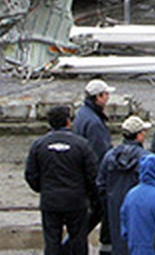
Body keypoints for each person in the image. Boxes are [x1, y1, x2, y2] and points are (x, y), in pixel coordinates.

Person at [25, 105, 99, 255]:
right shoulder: (81, 145)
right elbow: (92, 174)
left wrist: (44, 189)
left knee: (52, 241)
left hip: (50, 201)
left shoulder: (39, 145)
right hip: (76, 200)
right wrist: (88, 194)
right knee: (78, 240)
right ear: (68, 121)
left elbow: (31, 174)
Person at [98, 116, 152, 255]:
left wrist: (108, 204)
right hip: (139, 210)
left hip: (114, 207)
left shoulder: (109, 156)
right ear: (139, 135)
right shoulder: (146, 159)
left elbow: (101, 184)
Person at [74, 79, 114, 249]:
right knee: (98, 213)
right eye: (106, 94)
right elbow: (100, 153)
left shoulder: (82, 114)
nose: (108, 98)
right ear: (98, 97)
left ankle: (72, 244)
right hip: (93, 178)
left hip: (81, 174)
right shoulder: (95, 123)